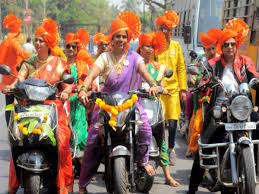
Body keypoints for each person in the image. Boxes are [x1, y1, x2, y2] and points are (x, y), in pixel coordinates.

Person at [78, 11, 159, 193]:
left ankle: (142, 162)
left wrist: (154, 85)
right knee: (92, 141)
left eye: (124, 36)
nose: (121, 39)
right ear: (112, 39)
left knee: (145, 128)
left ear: (128, 39)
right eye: (117, 36)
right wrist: (84, 88)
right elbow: (92, 74)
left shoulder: (135, 58)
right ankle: (83, 183)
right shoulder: (104, 57)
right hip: (106, 104)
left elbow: (145, 73)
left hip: (130, 103)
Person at [187, 18, 258, 194]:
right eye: (226, 44)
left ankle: (251, 166)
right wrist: (203, 83)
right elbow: (203, 79)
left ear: (237, 44)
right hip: (220, 110)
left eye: (233, 44)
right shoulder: (212, 64)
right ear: (221, 46)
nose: (230, 48)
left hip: (241, 108)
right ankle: (192, 188)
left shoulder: (245, 61)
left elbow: (254, 76)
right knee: (205, 142)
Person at [5, 18, 73, 194]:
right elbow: (18, 79)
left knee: (63, 142)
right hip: (28, 110)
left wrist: (66, 92)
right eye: (36, 39)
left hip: (53, 110)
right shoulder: (29, 63)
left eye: (41, 40)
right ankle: (13, 185)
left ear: (49, 43)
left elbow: (68, 84)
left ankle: (63, 185)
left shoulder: (58, 62)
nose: (37, 42)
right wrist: (10, 88)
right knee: (17, 140)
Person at [137, 31, 180, 187]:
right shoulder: (133, 64)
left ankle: (168, 176)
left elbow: (160, 84)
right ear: (140, 48)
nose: (148, 49)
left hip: (153, 108)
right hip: (135, 107)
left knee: (161, 139)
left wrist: (162, 89)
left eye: (151, 47)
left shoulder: (158, 67)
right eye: (146, 46)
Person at [182, 28, 222, 157]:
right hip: (203, 96)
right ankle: (192, 145)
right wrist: (195, 80)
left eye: (212, 48)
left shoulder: (222, 60)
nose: (210, 52)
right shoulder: (201, 61)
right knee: (197, 122)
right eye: (207, 49)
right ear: (204, 50)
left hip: (220, 97)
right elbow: (194, 75)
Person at [155, 10, 187, 165]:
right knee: (159, 121)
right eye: (163, 28)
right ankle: (160, 148)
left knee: (173, 121)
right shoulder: (155, 47)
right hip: (159, 90)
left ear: (172, 30)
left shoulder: (176, 45)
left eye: (168, 28)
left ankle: (171, 148)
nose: (165, 31)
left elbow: (181, 67)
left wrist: (183, 89)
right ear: (159, 29)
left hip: (174, 89)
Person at [65, 28, 94, 155]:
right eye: (68, 46)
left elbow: (88, 83)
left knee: (78, 133)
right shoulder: (59, 64)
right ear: (64, 48)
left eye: (73, 47)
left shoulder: (82, 65)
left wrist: (80, 90)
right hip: (62, 103)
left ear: (77, 49)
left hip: (77, 103)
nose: (71, 49)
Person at [0, 14, 31, 124]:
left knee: (9, 105)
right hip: (15, 77)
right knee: (20, 104)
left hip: (7, 76)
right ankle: (16, 128)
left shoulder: (6, 41)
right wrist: (36, 56)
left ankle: (10, 129)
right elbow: (23, 53)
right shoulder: (14, 42)